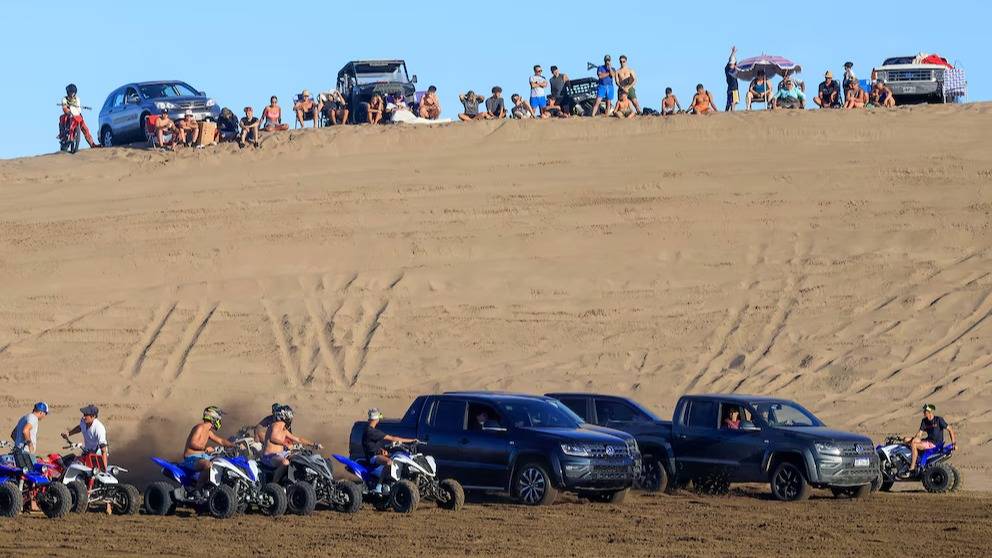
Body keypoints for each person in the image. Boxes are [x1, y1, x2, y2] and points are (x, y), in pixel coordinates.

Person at [62, 404, 111, 512]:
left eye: (86, 415)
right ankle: (76, 493)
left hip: (97, 454)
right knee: (76, 466)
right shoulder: (83, 421)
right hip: (87, 452)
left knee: (97, 476)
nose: (84, 417)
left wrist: (104, 468)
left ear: (93, 416)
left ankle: (107, 503)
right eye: (84, 414)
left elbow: (103, 450)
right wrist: (69, 433)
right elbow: (80, 428)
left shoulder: (99, 429)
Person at [182, 406, 234, 493]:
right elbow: (192, 443)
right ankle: (197, 491)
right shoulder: (200, 427)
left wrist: (234, 445)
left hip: (202, 457)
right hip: (191, 458)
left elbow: (221, 441)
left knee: (221, 462)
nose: (219, 421)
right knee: (208, 465)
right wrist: (205, 448)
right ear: (213, 418)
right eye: (218, 419)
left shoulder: (209, 432)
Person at [261, 405, 319, 482]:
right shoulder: (276, 425)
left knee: (297, 458)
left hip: (280, 454)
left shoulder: (284, 430)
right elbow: (273, 438)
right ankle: (274, 484)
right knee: (285, 462)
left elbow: (298, 439)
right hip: (269, 456)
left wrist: (313, 444)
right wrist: (285, 444)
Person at [903, 404, 957, 474]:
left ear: (929, 412)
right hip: (927, 440)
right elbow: (920, 433)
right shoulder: (924, 421)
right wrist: (915, 439)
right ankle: (910, 458)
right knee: (906, 439)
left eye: (925, 411)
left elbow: (950, 430)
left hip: (935, 444)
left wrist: (954, 443)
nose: (923, 413)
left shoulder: (938, 420)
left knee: (914, 444)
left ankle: (912, 467)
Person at [59, 83, 100, 148]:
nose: (72, 94)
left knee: (85, 128)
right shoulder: (64, 99)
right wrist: (66, 109)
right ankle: (62, 134)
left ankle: (92, 144)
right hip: (69, 113)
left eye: (73, 92)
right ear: (68, 92)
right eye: (70, 92)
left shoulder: (77, 98)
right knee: (62, 118)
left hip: (76, 114)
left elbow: (78, 107)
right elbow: (64, 107)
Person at [725, 46, 739, 112]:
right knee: (729, 103)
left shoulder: (735, 70)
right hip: (730, 89)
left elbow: (735, 63)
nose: (731, 66)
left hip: (735, 89)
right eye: (730, 65)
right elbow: (730, 60)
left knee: (733, 103)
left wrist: (733, 53)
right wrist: (732, 53)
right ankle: (727, 113)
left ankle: (732, 113)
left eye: (732, 65)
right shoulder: (727, 70)